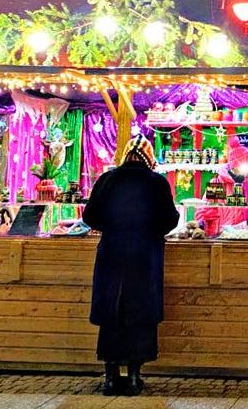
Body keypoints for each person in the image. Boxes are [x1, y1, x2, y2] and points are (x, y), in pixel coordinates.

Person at [83, 134, 179, 396]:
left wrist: (111, 227)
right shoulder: (157, 183)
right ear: (149, 156)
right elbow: (169, 220)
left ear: (126, 155)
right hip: (144, 258)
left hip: (112, 256)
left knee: (112, 316)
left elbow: (89, 216)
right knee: (140, 316)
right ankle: (135, 378)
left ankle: (111, 378)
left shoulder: (108, 180)